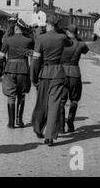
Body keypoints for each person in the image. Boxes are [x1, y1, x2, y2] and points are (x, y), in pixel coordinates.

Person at [30, 13, 71, 146]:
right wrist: (61, 31)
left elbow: (35, 61)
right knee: (54, 105)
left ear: (48, 23)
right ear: (57, 25)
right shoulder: (62, 37)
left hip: (44, 73)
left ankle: (38, 128)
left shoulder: (40, 38)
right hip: (58, 73)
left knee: (41, 102)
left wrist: (33, 77)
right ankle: (50, 137)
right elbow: (70, 42)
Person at [0, 18, 34, 128]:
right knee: (21, 95)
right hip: (23, 70)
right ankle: (19, 120)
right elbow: (33, 56)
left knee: (11, 96)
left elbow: (1, 56)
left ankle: (11, 122)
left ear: (16, 27)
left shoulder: (8, 40)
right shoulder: (29, 41)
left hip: (10, 69)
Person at [59, 24, 89, 133]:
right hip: (75, 73)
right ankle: (70, 123)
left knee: (61, 101)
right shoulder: (80, 44)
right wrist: (78, 38)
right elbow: (86, 50)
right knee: (74, 100)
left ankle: (61, 127)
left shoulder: (62, 43)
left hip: (62, 73)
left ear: (67, 32)